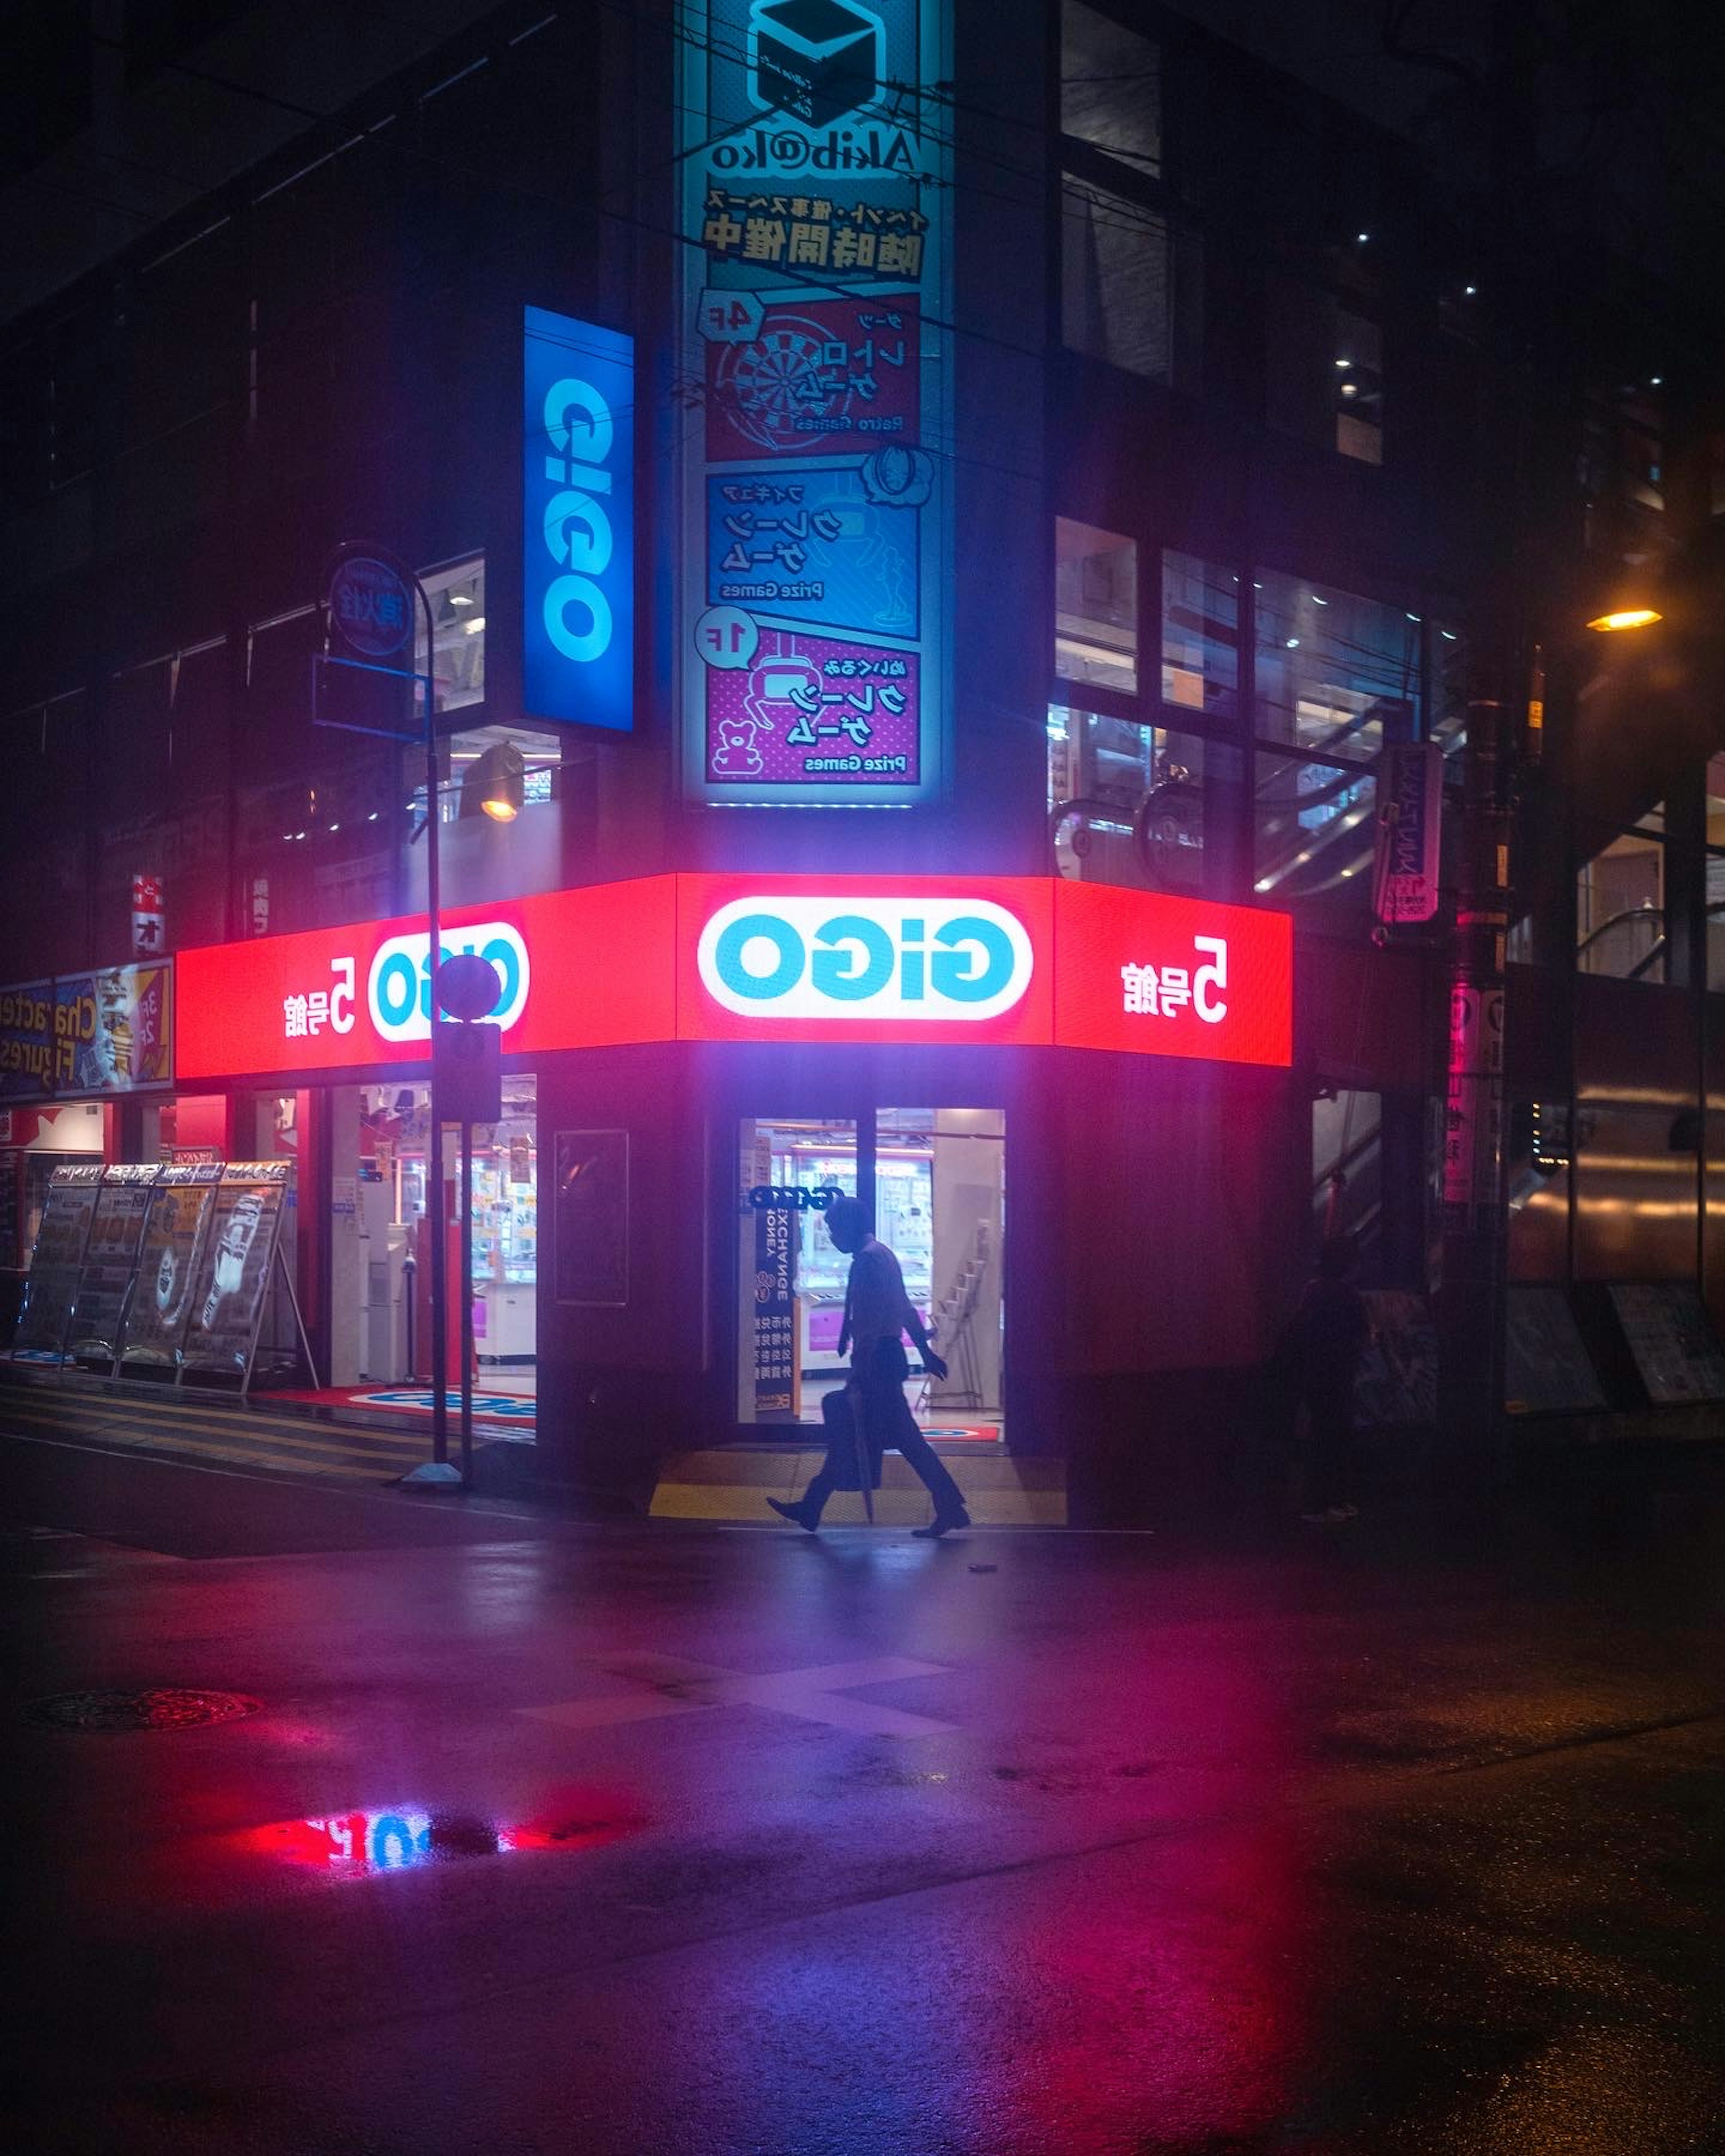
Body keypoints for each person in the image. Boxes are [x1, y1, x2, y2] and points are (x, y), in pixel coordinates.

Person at [770, 1194, 972, 1538]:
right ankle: (812, 1507)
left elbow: (869, 1325)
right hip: (889, 1357)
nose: (832, 1237)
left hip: (876, 1361)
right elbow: (906, 1309)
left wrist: (858, 1373)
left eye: (834, 1229)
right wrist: (924, 1352)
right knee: (861, 1435)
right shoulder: (884, 1255)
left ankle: (950, 1507)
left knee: (877, 1437)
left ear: (849, 1226)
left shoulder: (866, 1262)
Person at [1275, 1233, 1371, 1524]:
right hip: (1338, 1377)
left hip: (1312, 1375)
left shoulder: (1312, 1291)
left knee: (1319, 1437)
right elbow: (1362, 1337)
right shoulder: (1349, 1297)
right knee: (1336, 1439)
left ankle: (1314, 1503)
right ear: (1349, 1265)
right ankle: (1329, 1502)